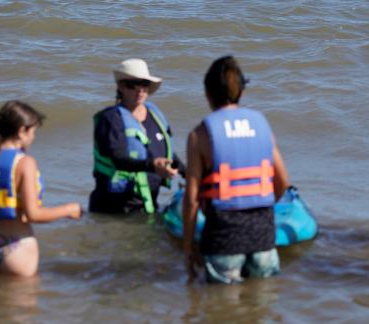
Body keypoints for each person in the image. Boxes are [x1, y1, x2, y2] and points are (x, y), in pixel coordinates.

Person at [183, 56, 290, 284]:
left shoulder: (199, 135)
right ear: (241, 90)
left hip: (223, 238)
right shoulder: (262, 125)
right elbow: (282, 183)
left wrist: (188, 247)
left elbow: (191, 201)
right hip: (263, 235)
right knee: (261, 311)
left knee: (223, 312)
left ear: (208, 93)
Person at [0, 100, 82, 277]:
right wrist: (69, 210)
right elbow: (33, 215)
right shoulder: (24, 163)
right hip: (17, 247)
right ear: (22, 131)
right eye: (33, 132)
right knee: (22, 303)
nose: (34, 138)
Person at [89, 59, 183, 214]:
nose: (139, 90)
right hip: (115, 210)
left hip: (148, 205)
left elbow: (166, 153)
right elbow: (118, 158)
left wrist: (191, 173)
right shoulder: (110, 119)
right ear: (121, 86)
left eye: (144, 84)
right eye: (132, 84)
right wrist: (153, 166)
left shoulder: (154, 114)